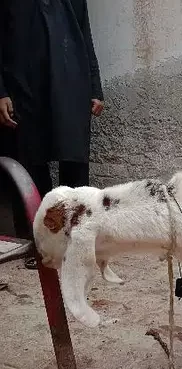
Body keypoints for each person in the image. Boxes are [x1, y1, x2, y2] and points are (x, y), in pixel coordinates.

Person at [0, 0, 104, 268]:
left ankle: (78, 241)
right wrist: (1, 92)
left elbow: (85, 36)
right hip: (24, 88)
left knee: (75, 167)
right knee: (31, 165)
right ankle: (39, 244)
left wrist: (94, 87)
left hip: (71, 84)